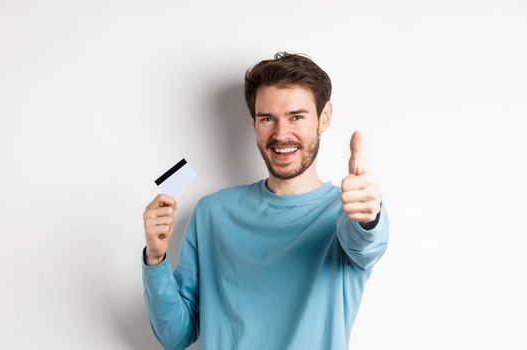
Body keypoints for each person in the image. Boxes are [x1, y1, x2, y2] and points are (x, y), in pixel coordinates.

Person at [140, 52, 389, 350]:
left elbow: (366, 243)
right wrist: (155, 259)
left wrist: (367, 217)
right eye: (268, 118)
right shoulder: (212, 214)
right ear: (254, 123)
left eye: (296, 116)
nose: (281, 134)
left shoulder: (344, 215)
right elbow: (175, 336)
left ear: (324, 117)